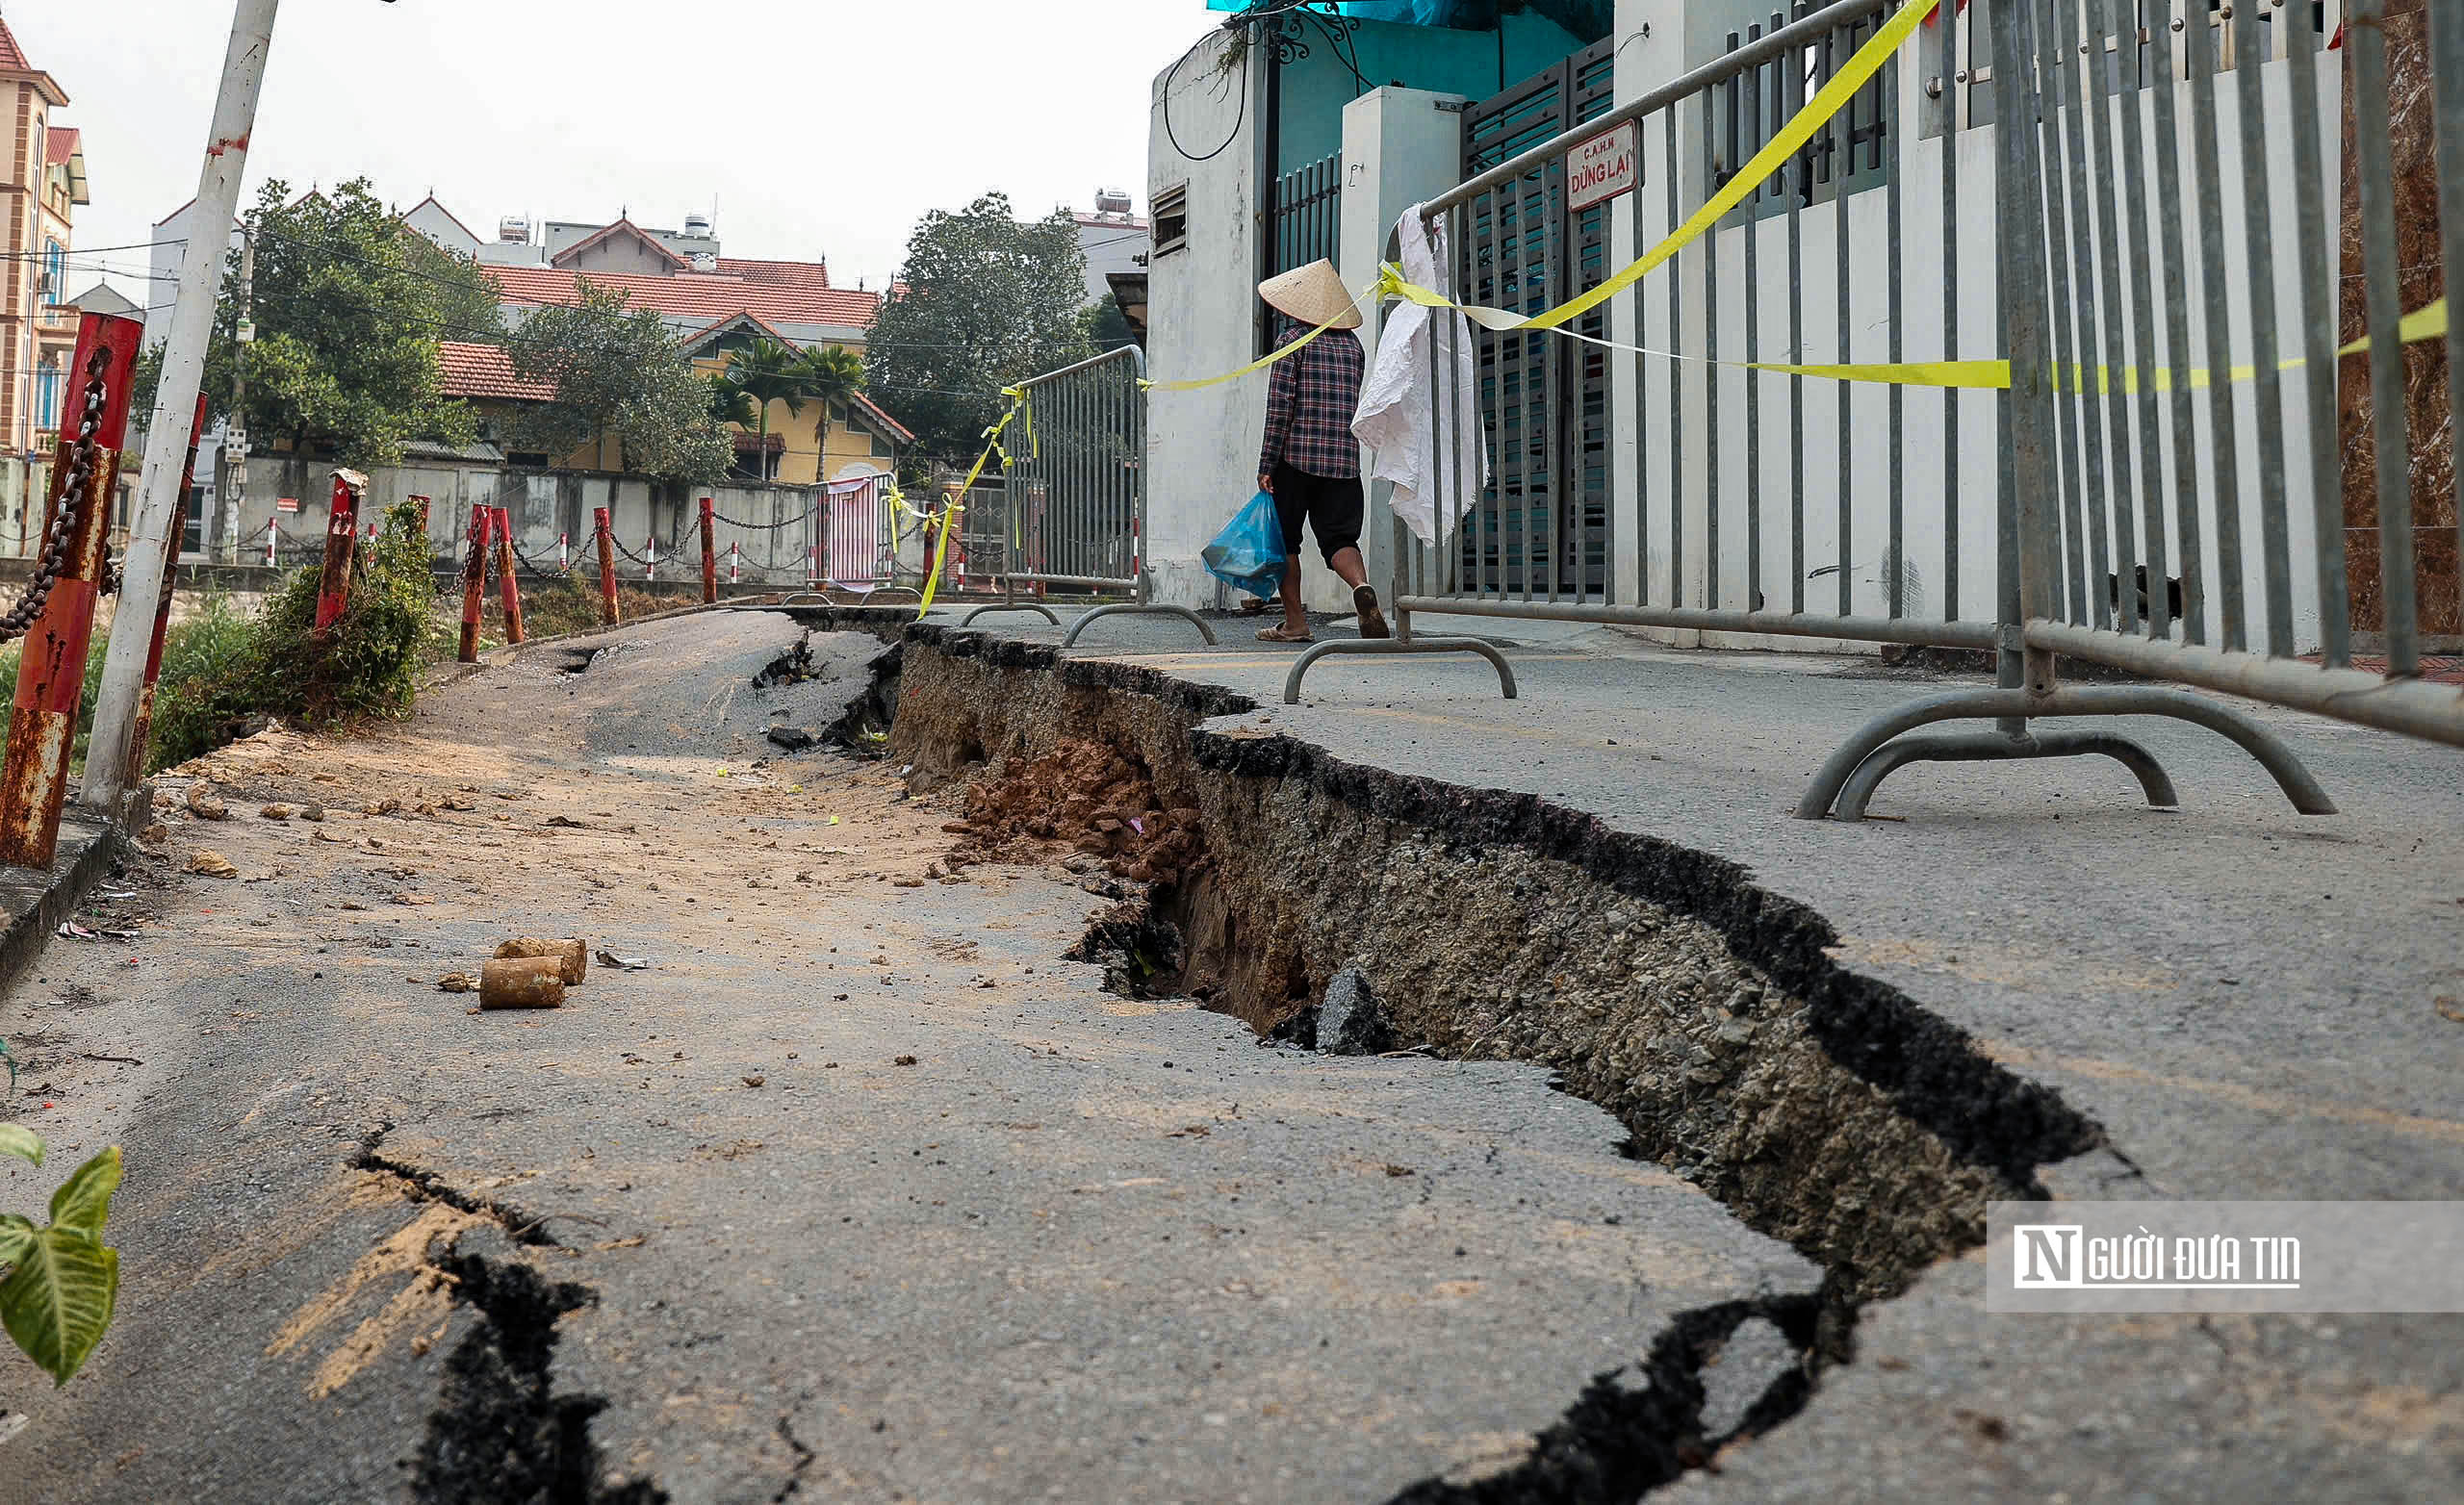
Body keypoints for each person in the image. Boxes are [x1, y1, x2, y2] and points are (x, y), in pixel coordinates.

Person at [1254, 260, 1389, 643]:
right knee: (1340, 540)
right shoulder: (1353, 347)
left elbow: (1280, 406)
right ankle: (1361, 586)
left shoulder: (1291, 342)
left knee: (1286, 541)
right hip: (1344, 462)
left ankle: (1295, 623)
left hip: (1295, 459)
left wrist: (1267, 463)